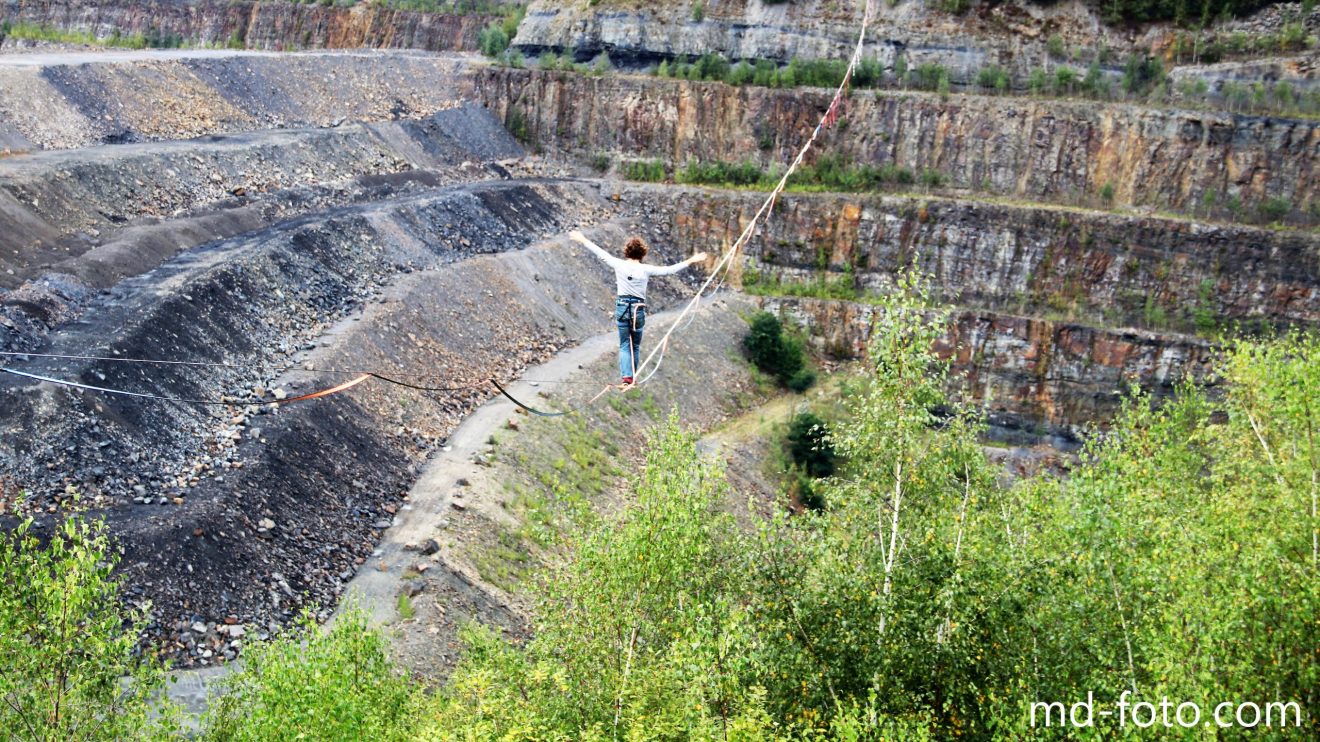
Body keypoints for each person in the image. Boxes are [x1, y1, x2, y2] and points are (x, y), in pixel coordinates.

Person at [570, 231, 707, 386]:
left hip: (622, 307)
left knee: (624, 345)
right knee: (635, 345)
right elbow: (670, 269)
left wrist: (583, 239)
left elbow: (600, 253)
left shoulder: (618, 264)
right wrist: (692, 260)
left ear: (626, 252)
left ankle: (627, 378)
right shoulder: (646, 269)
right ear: (643, 254)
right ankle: (632, 377)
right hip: (638, 309)